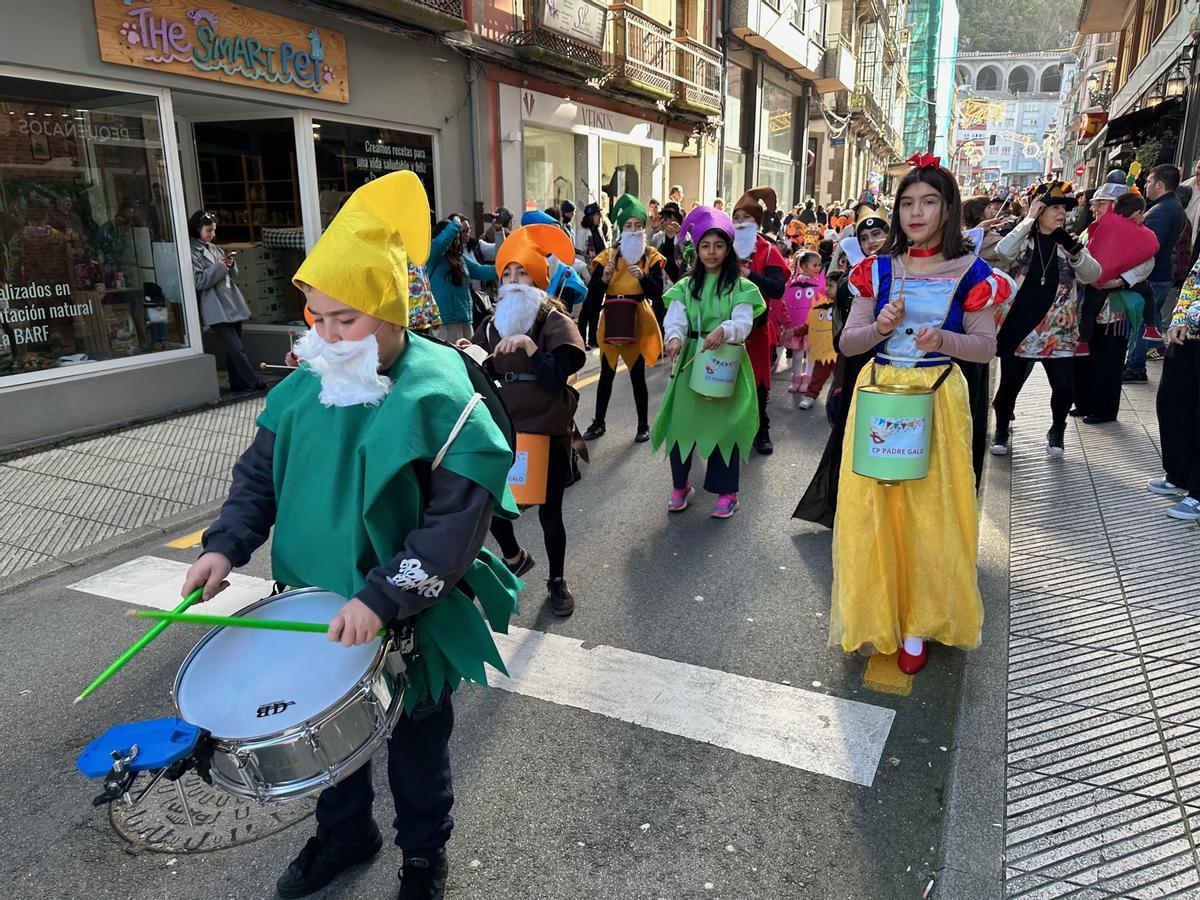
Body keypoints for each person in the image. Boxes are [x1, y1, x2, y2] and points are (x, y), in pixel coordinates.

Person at [180, 171, 521, 900]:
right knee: (329, 745)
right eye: (317, 317)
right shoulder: (303, 384)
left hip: (407, 611)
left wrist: (381, 597)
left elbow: (455, 522)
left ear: (393, 314)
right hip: (312, 602)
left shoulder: (444, 389)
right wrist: (223, 544)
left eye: (347, 320)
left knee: (417, 749)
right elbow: (259, 477)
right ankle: (344, 834)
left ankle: (424, 856)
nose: (326, 337)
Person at [829, 154, 1014, 675]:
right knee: (876, 508)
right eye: (907, 203)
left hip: (937, 399)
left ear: (948, 209)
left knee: (930, 513)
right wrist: (881, 328)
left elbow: (984, 347)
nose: (915, 213)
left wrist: (944, 339)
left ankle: (919, 622)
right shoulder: (875, 270)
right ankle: (880, 611)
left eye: (928, 202)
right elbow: (849, 343)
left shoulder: (975, 273)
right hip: (880, 395)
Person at [464, 224, 587, 614]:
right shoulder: (490, 323)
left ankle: (556, 581)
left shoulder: (554, 321)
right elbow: (476, 373)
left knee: (550, 512)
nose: (514, 281)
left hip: (546, 430)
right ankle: (514, 555)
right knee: (492, 503)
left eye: (522, 273)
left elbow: (556, 379)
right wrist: (467, 353)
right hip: (502, 428)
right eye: (507, 274)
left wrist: (532, 347)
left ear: (537, 278)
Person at [654, 206, 765, 518]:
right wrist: (674, 338)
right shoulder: (687, 286)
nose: (711, 252)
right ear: (697, 249)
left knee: (724, 427)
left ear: (728, 249)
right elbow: (675, 318)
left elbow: (744, 322)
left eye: (718, 245)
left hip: (726, 360)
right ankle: (680, 485)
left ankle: (727, 492)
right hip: (693, 359)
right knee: (681, 422)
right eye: (705, 245)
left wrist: (725, 329)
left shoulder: (740, 286)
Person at [990, 182, 1101, 457]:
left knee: (1064, 387)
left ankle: (1057, 428)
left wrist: (1077, 255)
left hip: (1058, 327)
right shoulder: (1022, 238)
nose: (1061, 213)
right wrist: (1027, 219)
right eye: (1054, 207)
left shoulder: (1070, 240)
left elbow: (1092, 275)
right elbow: (1003, 252)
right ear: (1039, 209)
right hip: (1019, 324)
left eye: (1064, 208)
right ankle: (1002, 427)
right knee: (1009, 386)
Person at [581, 194, 665, 442]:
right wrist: (603, 280)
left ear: (643, 228)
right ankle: (598, 422)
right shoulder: (607, 256)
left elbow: (657, 293)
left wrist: (642, 277)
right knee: (606, 373)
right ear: (620, 228)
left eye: (637, 225)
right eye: (628, 226)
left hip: (638, 318)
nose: (633, 230)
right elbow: (594, 293)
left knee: (637, 374)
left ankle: (642, 425)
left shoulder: (650, 256)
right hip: (612, 317)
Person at [1073, 187, 1156, 424]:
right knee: (1083, 358)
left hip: (1115, 309)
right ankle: (1083, 402)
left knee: (1108, 360)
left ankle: (1104, 410)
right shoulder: (1090, 231)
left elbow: (1147, 263)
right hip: (1087, 302)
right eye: (1094, 204)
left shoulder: (1140, 233)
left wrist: (1119, 280)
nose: (1094, 208)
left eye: (1100, 204)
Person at [731, 187, 788, 454]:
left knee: (759, 383)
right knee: (726, 380)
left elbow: (777, 289)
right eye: (737, 217)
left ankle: (761, 430)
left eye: (746, 218)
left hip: (758, 328)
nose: (740, 222)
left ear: (757, 222)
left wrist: (751, 274)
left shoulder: (768, 252)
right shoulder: (722, 247)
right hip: (727, 330)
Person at [188, 210, 264, 393]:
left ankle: (237, 383)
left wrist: (229, 264)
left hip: (230, 300)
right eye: (209, 230)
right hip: (214, 305)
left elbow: (231, 275)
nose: (213, 235)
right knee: (235, 347)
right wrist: (220, 266)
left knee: (235, 347)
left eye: (214, 230)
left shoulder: (213, 248)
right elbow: (198, 281)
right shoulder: (190, 251)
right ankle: (252, 381)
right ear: (197, 229)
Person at [1148, 257, 1200, 520]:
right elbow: (1192, 282)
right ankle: (1179, 474)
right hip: (1188, 337)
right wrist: (1179, 318)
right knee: (1173, 406)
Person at [1125, 164, 1185, 382]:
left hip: (1153, 276)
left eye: (1149, 181)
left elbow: (1150, 248)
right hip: (1161, 275)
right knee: (1151, 319)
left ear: (1160, 184)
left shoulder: (1162, 210)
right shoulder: (1169, 206)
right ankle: (1155, 351)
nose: (1146, 185)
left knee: (1142, 322)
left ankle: (1135, 367)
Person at [427, 216, 497, 342]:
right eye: (454, 237)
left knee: (468, 358)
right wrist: (455, 223)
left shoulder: (460, 259)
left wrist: (507, 267)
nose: (457, 241)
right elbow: (441, 243)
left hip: (465, 319)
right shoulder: (433, 257)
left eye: (457, 238)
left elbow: (482, 271)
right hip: (445, 322)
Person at [650, 201, 686, 289]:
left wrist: (679, 233)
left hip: (679, 280)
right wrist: (652, 229)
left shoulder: (684, 236)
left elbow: (688, 253)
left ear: (678, 221)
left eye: (672, 219)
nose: (668, 222)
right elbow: (647, 250)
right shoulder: (657, 237)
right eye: (666, 219)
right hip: (660, 281)